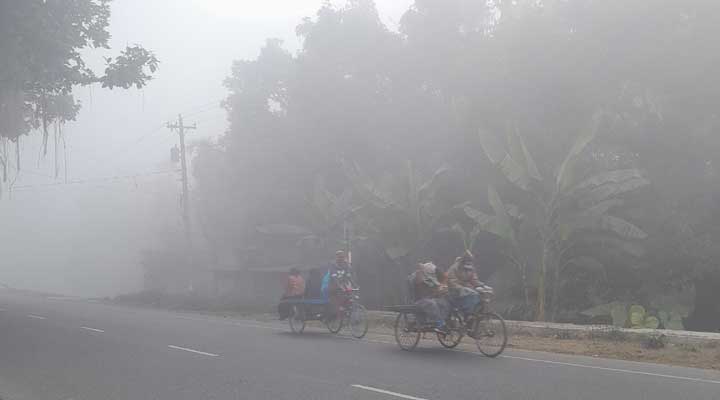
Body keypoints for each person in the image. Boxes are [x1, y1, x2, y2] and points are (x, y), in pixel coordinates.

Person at [409, 262, 450, 333]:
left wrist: (441, 291)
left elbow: (435, 291)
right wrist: (420, 271)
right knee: (431, 303)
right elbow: (418, 282)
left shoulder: (431, 279)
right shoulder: (417, 276)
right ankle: (439, 323)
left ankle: (442, 322)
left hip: (429, 299)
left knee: (443, 303)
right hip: (419, 300)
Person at [446, 250, 485, 318]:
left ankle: (473, 314)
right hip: (454, 290)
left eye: (470, 260)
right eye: (467, 260)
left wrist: (482, 285)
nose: (469, 262)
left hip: (467, 289)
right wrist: (461, 288)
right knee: (472, 295)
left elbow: (474, 280)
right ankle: (467, 313)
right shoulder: (455, 267)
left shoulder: (471, 268)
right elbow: (451, 281)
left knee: (479, 294)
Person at [321, 250, 355, 320]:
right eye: (339, 257)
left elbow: (349, 276)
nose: (341, 259)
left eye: (342, 257)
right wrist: (339, 286)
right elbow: (334, 277)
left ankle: (348, 312)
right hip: (333, 286)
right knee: (337, 299)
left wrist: (354, 284)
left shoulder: (346, 265)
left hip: (343, 285)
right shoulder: (332, 265)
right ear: (336, 258)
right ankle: (336, 314)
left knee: (350, 296)